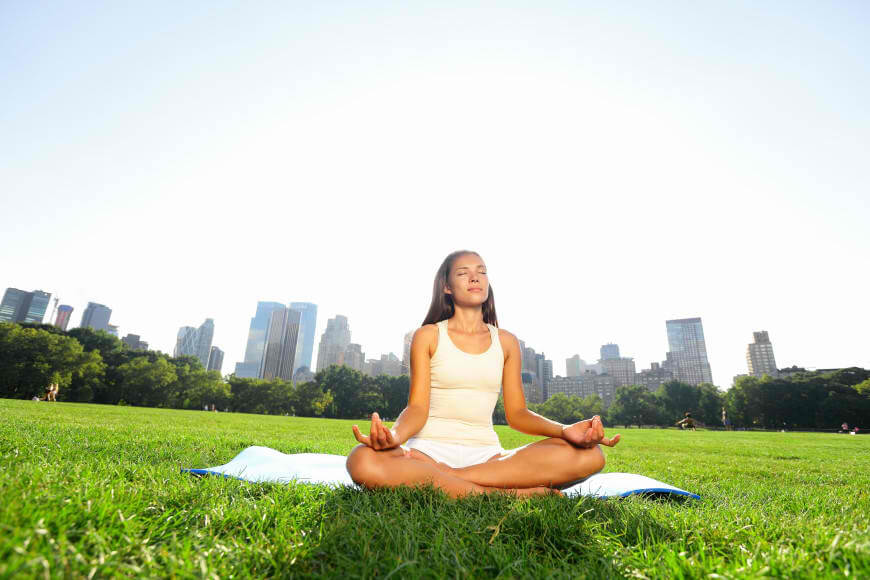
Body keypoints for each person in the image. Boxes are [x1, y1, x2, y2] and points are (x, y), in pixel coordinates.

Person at [346, 250, 621, 498]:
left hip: (488, 458)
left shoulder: (506, 342)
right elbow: (417, 408)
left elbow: (518, 415)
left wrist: (564, 430)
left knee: (592, 457)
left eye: (481, 272)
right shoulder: (427, 336)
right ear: (447, 287)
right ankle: (503, 495)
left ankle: (452, 481)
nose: (475, 278)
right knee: (360, 460)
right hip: (427, 453)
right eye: (463, 273)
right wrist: (395, 436)